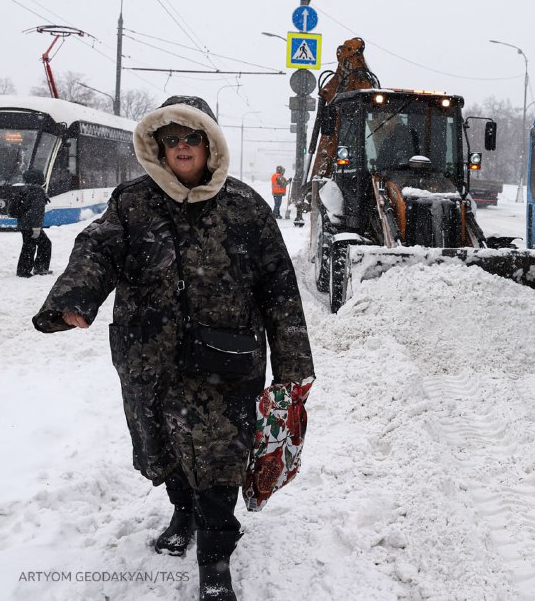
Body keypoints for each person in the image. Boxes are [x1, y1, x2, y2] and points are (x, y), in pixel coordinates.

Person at [32, 96, 314, 601]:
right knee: (161, 447)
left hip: (225, 360)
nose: (182, 147)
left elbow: (279, 289)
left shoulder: (245, 205)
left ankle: (215, 559)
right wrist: (73, 300)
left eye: (192, 138)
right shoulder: (133, 201)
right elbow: (97, 248)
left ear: (210, 143)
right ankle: (182, 512)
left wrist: (292, 367)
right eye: (172, 139)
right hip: (149, 355)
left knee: (222, 456)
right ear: (158, 147)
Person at [16, 168, 52, 278]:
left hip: (24, 224)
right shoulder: (37, 192)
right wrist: (36, 228)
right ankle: (36, 269)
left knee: (28, 246)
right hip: (31, 225)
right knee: (44, 244)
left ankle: (23, 269)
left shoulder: (25, 190)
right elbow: (36, 212)